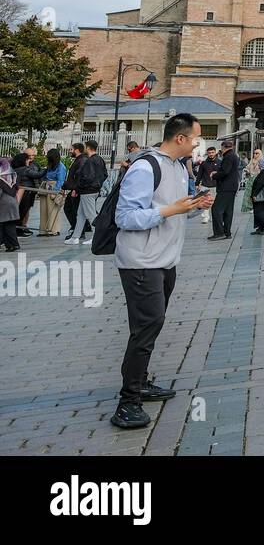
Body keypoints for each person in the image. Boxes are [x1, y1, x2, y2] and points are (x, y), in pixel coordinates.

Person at [110, 113, 214, 429]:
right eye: (195, 138)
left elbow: (172, 212)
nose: (198, 144)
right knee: (146, 327)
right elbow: (125, 217)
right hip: (141, 262)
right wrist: (173, 209)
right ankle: (127, 403)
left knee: (152, 325)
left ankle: (140, 381)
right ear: (180, 139)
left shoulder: (179, 168)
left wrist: (193, 208)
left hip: (165, 260)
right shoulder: (145, 167)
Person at [65, 139, 108, 245]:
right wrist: (98, 184)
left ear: (88, 147)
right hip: (94, 190)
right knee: (81, 214)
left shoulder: (90, 161)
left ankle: (96, 237)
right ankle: (75, 237)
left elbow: (86, 177)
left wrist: (78, 189)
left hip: (87, 191)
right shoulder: (100, 159)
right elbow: (105, 174)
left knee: (90, 215)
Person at [209, 140, 240, 240]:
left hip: (226, 187)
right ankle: (227, 232)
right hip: (231, 187)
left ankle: (219, 233)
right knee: (228, 211)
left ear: (223, 147)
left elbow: (225, 172)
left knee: (216, 209)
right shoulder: (233, 155)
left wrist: (214, 175)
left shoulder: (228, 156)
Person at [1, 155, 23, 252]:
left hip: (4, 204)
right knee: (9, 226)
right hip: (12, 202)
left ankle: (11, 245)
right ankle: (12, 245)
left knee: (4, 226)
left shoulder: (1, 178)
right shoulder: (12, 175)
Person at [63, 143, 86, 235]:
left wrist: (75, 189)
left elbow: (79, 176)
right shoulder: (78, 160)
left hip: (76, 190)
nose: (69, 151)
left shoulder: (82, 160)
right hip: (74, 189)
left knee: (75, 210)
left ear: (76, 150)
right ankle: (77, 228)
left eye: (71, 149)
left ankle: (79, 231)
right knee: (69, 208)